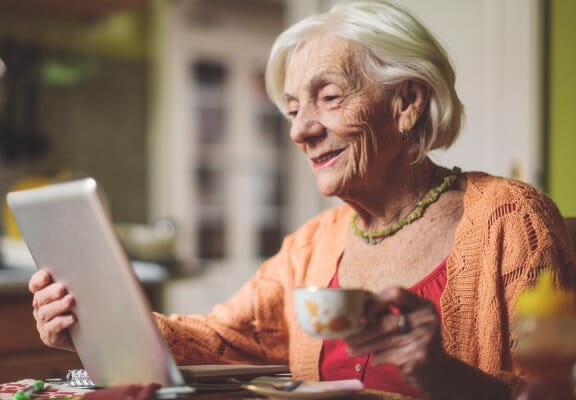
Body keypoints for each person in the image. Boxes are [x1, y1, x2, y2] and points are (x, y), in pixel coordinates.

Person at [29, 0, 576, 398]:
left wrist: (443, 373)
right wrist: (92, 318)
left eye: (329, 97)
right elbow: (219, 340)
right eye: (293, 109)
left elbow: (552, 392)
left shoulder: (511, 221)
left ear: (408, 102)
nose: (300, 130)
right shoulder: (312, 247)